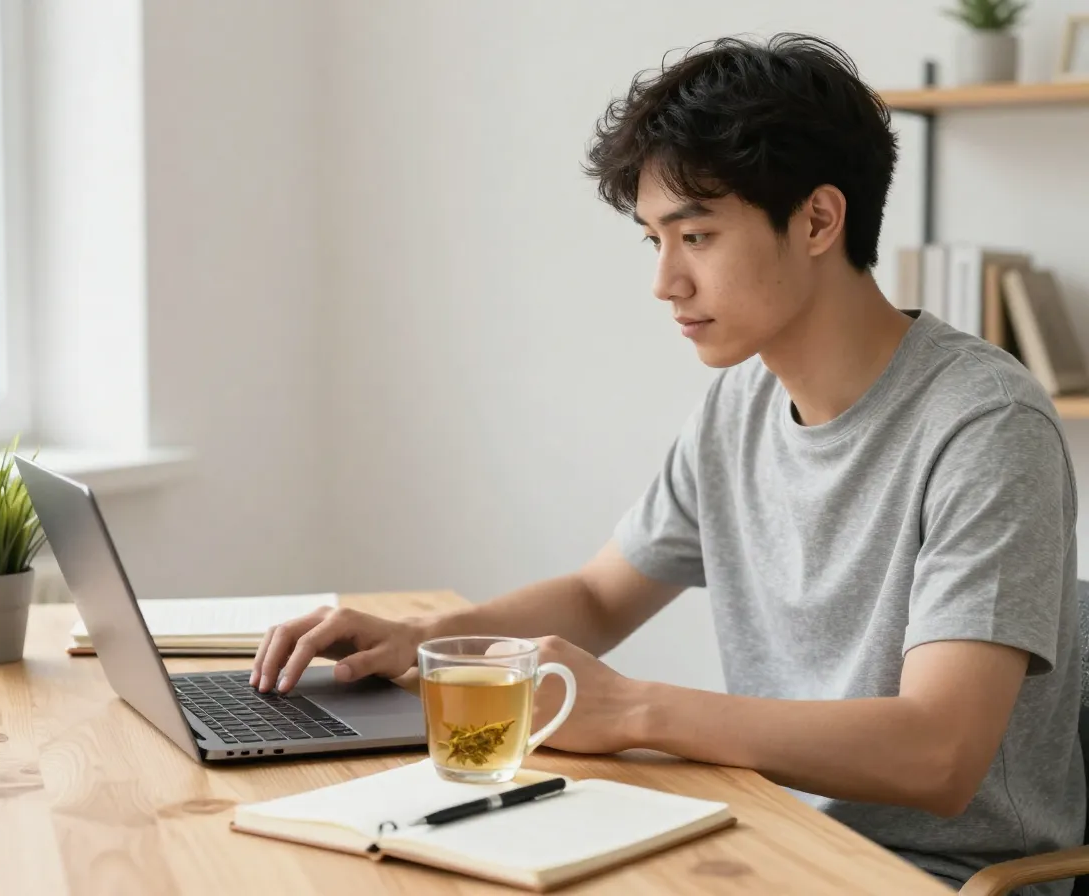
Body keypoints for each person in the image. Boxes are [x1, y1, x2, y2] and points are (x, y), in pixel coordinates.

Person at [251, 33, 1084, 893]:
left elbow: (939, 754)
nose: (666, 282)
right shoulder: (741, 403)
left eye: (696, 235)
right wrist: (425, 643)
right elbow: (598, 596)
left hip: (936, 876)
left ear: (818, 220)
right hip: (767, 831)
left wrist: (634, 710)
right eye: (655, 239)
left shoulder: (985, 426)